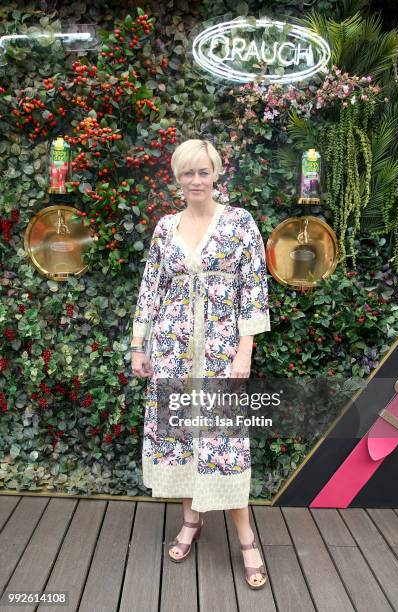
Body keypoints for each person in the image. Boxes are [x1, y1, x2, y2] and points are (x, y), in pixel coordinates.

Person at [131, 139, 271, 589]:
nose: (196, 180)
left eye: (203, 172)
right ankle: (192, 518)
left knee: (223, 444)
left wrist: (245, 348)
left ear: (217, 174)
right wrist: (139, 344)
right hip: (171, 351)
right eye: (187, 173)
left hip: (219, 353)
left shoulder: (239, 223)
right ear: (177, 178)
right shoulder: (164, 227)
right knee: (183, 437)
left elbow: (253, 286)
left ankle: (246, 536)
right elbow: (151, 288)